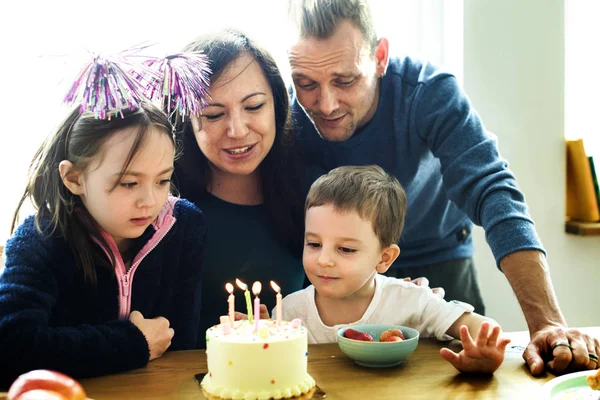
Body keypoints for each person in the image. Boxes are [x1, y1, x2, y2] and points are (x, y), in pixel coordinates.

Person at [285, 0, 600, 375]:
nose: (325, 104)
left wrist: (546, 321)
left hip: (439, 257)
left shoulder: (427, 92)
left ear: (380, 57)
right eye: (305, 83)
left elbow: (492, 189)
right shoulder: (287, 115)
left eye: (345, 80)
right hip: (339, 272)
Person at [0, 67, 207, 384]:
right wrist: (130, 343)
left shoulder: (185, 227)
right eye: (128, 184)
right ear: (74, 178)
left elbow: (178, 346)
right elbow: (10, 348)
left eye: (163, 180)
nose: (149, 201)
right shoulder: (40, 237)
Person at [274, 165, 510, 374]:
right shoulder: (288, 312)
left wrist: (484, 354)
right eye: (314, 244)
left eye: (345, 249)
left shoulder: (410, 299)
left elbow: (482, 329)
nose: (323, 260)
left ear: (384, 258)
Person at [171, 29, 307, 343]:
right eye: (214, 114)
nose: (237, 129)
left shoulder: (311, 190)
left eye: (254, 107)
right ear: (188, 120)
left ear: (277, 105)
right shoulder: (160, 198)